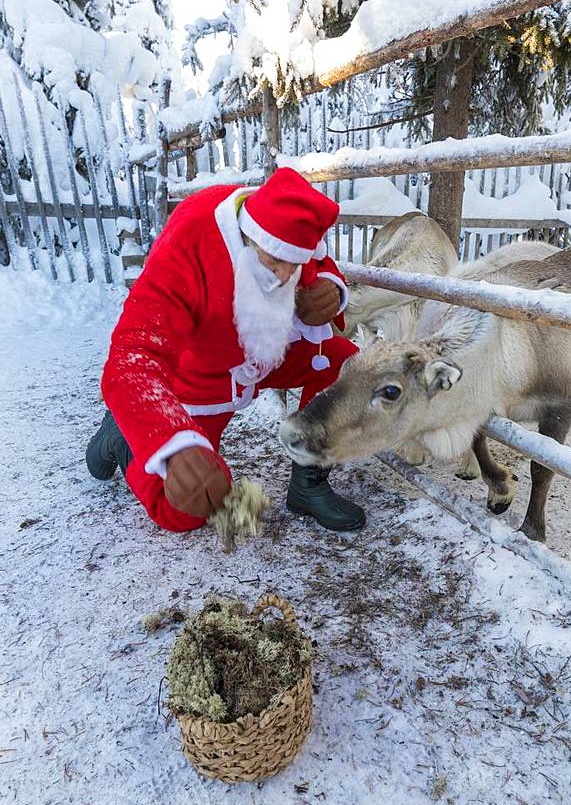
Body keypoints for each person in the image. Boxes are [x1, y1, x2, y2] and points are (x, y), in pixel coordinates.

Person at [85, 167, 366, 532]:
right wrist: (171, 442)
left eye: (293, 265)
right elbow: (131, 356)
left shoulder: (284, 224)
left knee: (343, 362)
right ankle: (123, 439)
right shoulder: (187, 245)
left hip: (270, 354)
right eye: (274, 260)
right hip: (203, 376)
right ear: (249, 236)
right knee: (191, 504)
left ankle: (308, 483)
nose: (285, 276)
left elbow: (315, 260)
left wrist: (329, 289)